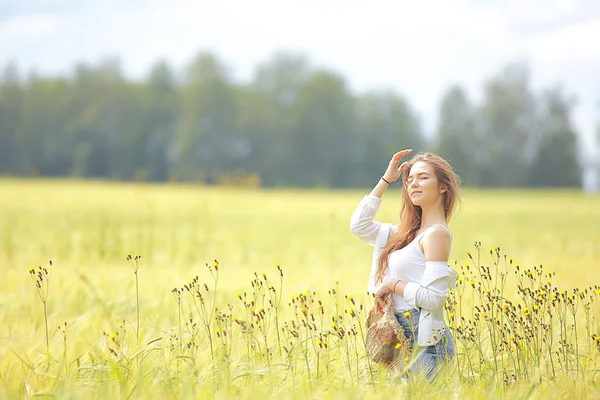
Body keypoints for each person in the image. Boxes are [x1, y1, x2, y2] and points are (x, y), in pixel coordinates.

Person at [349, 149, 460, 381]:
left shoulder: (436, 234)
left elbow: (435, 299)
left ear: (442, 187)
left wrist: (392, 284)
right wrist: (387, 179)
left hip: (426, 343)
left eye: (423, 177)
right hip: (399, 336)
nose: (413, 184)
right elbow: (358, 225)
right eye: (409, 180)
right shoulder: (400, 234)